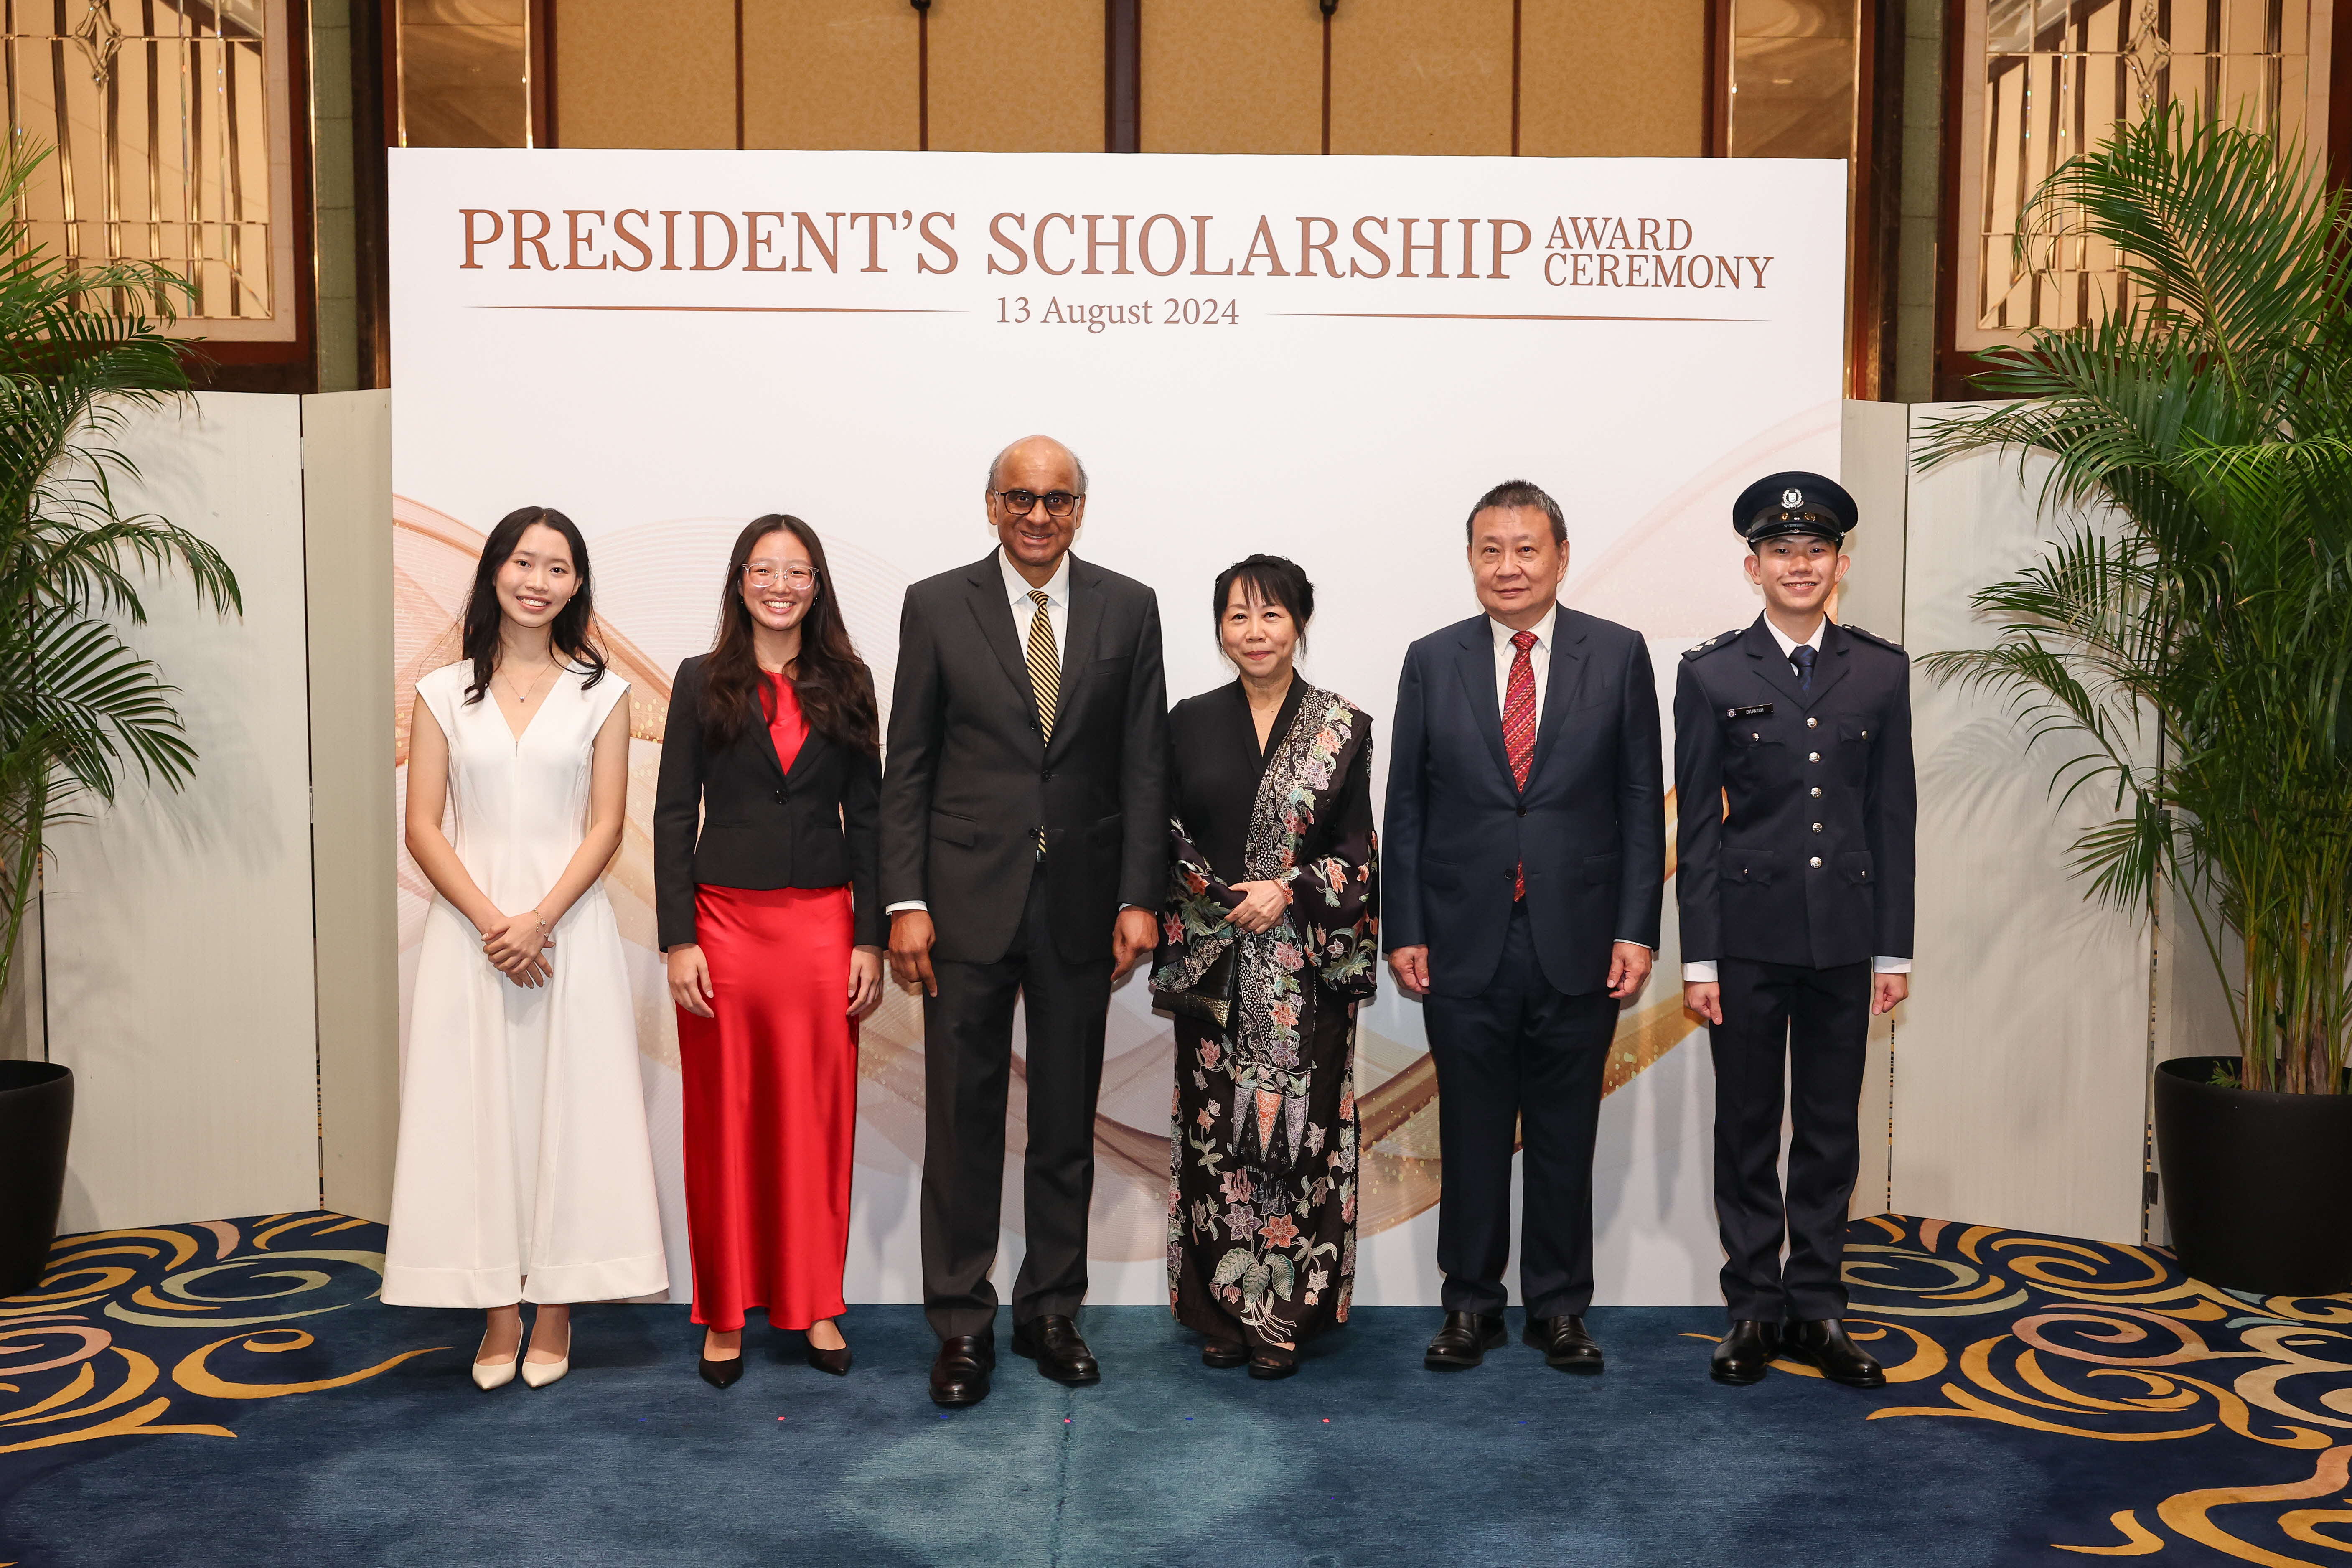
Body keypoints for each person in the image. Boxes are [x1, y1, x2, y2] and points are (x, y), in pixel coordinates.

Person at [882, 434, 1170, 1408]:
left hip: (1082, 905)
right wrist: (906, 900)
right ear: (991, 505)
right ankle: (961, 1323)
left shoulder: (1129, 606)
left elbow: (1143, 763)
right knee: (960, 1123)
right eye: (1020, 497)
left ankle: (1051, 1311)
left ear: (1079, 508)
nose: (1037, 515)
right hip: (962, 904)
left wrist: (1139, 895)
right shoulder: (935, 604)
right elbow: (909, 763)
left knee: (1063, 1123)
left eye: (1056, 499)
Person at [1383, 480, 1665, 1375]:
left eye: (1526, 548)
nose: (1508, 566)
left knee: (1563, 1132)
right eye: (1490, 550)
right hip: (1461, 936)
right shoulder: (1431, 659)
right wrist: (1404, 926)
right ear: (1471, 559)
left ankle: (1558, 1306)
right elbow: (1407, 804)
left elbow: (1638, 803)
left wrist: (1636, 928)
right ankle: (1469, 1303)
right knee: (1469, 1130)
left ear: (1561, 556)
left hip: (1578, 934)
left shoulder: (1617, 654)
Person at [384, 505, 667, 1390]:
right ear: (493, 572)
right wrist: (493, 922)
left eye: (557, 568)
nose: (537, 581)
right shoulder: (441, 692)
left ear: (577, 585)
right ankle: (495, 1310)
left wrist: (539, 919)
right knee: (476, 1115)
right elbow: (423, 826)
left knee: (568, 1114)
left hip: (568, 933)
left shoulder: (602, 694)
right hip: (468, 939)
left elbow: (606, 824)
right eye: (522, 562)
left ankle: (554, 1309)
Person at [1675, 471, 1915, 1389]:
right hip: (1745, 940)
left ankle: (1817, 1306)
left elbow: (1892, 818)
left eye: (1816, 550)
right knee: (1745, 1127)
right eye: (1781, 551)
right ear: (1754, 567)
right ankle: (1752, 1308)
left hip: (1845, 941)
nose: (1799, 564)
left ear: (1839, 564)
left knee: (1827, 1129)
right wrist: (1699, 958)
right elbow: (1699, 831)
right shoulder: (1711, 673)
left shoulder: (1881, 670)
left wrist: (1892, 948)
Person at [654, 515, 885, 1390]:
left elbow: (870, 817)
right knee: (724, 1121)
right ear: (739, 581)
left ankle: (815, 1300)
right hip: (723, 927)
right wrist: (679, 936)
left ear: (817, 585)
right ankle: (724, 1309)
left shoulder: (850, 681)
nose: (780, 585)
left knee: (815, 1121)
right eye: (764, 570)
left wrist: (869, 935)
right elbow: (673, 812)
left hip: (823, 925)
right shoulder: (698, 679)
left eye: (797, 571)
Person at [1153, 555, 1378, 1381]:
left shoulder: (1342, 725)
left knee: (1297, 1139)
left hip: (1305, 974)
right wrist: (1223, 898)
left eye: (1271, 614)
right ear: (1220, 628)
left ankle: (1282, 1316)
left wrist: (1288, 889)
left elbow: (1358, 849)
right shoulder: (1186, 722)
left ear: (1300, 622)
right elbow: (1163, 829)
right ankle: (1219, 1312)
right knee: (1215, 1137)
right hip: (1215, 968)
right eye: (1238, 615)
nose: (1254, 632)